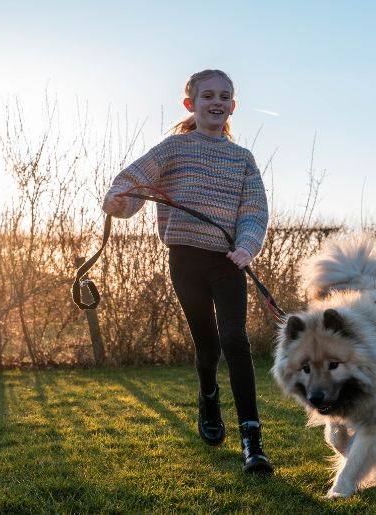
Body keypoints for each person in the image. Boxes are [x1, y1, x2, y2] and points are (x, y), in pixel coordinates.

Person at [102, 69, 273, 474]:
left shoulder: (242, 158)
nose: (217, 102)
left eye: (224, 96)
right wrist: (118, 203)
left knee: (236, 340)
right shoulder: (174, 149)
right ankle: (209, 397)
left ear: (232, 105)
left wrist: (247, 247)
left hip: (227, 261)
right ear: (191, 104)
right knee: (209, 346)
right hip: (184, 260)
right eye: (208, 96)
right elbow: (133, 183)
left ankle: (253, 440)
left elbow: (255, 211)